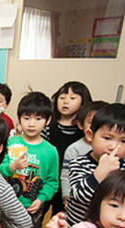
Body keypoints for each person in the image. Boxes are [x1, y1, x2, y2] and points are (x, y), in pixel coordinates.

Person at [0, 92, 59, 228]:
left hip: (32, 204)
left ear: (47, 121)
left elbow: (52, 181)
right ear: (19, 119)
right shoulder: (13, 142)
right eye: (26, 118)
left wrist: (41, 199)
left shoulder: (50, 151)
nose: (31, 123)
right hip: (8, 201)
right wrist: (12, 167)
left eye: (38, 118)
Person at [41, 81, 92, 217]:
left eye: (72, 98)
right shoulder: (48, 127)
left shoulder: (84, 131)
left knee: (60, 215)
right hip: (46, 179)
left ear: (83, 102)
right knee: (38, 212)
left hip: (68, 182)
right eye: (62, 97)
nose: (65, 102)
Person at [59, 101, 108, 209]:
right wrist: (67, 197)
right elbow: (66, 175)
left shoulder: (113, 150)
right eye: (91, 123)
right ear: (81, 124)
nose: (96, 127)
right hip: (78, 201)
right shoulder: (74, 149)